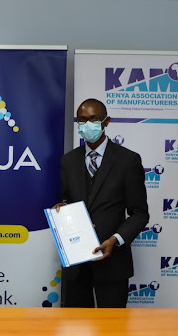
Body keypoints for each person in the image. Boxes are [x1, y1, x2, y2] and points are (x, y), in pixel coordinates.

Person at [53, 98, 149, 308]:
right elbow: (68, 199)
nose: (88, 124)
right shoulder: (68, 161)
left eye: (94, 118)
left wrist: (115, 240)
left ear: (106, 122)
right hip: (76, 265)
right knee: (75, 332)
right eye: (82, 119)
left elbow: (140, 213)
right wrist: (61, 209)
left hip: (113, 262)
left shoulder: (128, 160)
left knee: (112, 332)